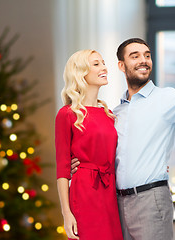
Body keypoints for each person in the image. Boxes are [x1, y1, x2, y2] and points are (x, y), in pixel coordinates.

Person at [71, 38, 175, 240]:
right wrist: (80, 165)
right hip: (116, 203)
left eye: (147, 55)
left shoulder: (166, 98)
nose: (143, 60)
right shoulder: (116, 112)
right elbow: (103, 153)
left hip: (150, 200)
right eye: (135, 56)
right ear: (121, 66)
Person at [55, 49, 123, 240]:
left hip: (109, 192)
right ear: (81, 72)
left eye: (103, 63)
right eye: (96, 64)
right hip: (84, 191)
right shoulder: (67, 114)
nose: (104, 68)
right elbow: (62, 169)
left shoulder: (108, 114)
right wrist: (66, 214)